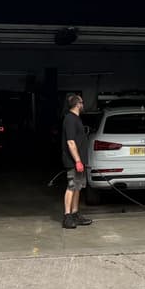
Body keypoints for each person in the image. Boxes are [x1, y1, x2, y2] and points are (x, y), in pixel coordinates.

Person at [60, 93, 92, 229]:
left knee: (78, 187)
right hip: (73, 161)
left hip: (79, 161)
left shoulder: (76, 118)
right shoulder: (70, 119)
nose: (83, 105)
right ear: (77, 104)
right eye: (82, 102)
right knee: (72, 186)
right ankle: (67, 217)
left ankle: (75, 214)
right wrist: (77, 161)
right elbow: (71, 142)